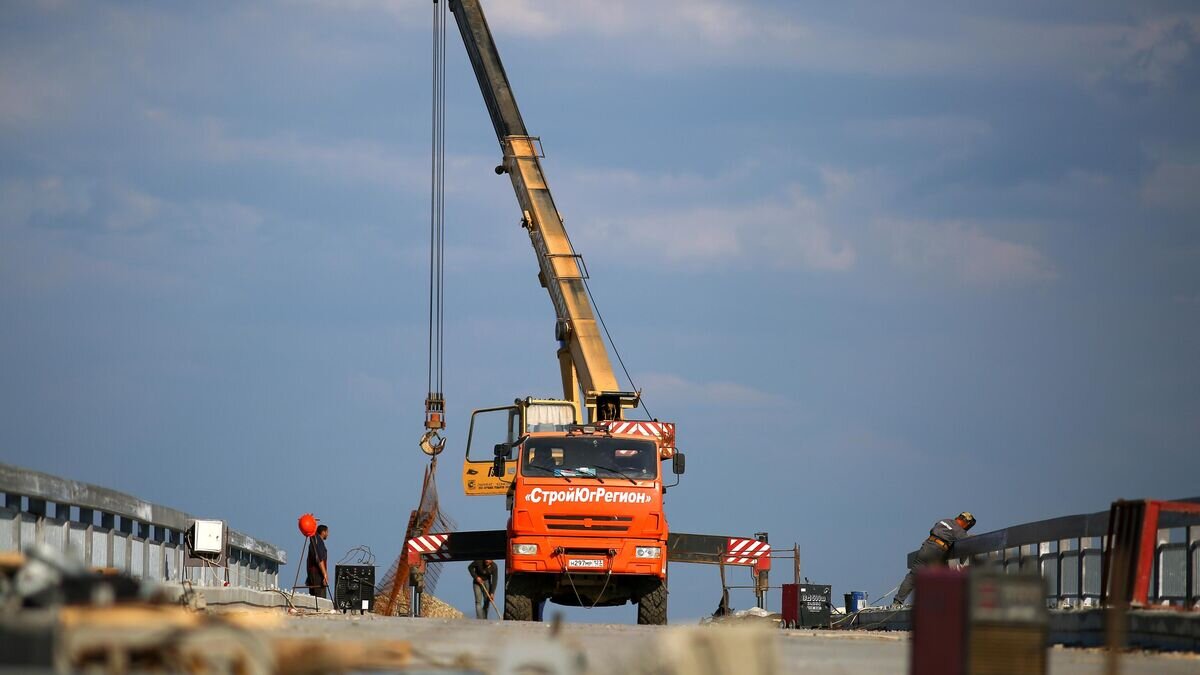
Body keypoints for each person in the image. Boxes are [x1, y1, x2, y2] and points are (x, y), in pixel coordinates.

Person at [892, 512, 975, 607]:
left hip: (926, 547)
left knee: (913, 576)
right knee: (942, 576)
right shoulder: (959, 531)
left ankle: (897, 601)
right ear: (965, 522)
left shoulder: (944, 520)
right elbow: (967, 542)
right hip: (938, 551)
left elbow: (934, 530)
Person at [306, 524, 329, 598]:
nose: (328, 534)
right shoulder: (318, 542)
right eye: (327, 532)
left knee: (314, 596)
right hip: (317, 574)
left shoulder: (315, 541)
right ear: (323, 532)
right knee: (320, 597)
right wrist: (325, 574)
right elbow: (319, 559)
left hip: (313, 574)